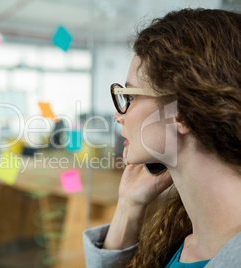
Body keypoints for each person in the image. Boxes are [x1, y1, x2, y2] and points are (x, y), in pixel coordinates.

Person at [83, 8, 241, 267]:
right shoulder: (184, 240)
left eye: (130, 97)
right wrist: (129, 204)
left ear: (181, 112)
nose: (118, 115)